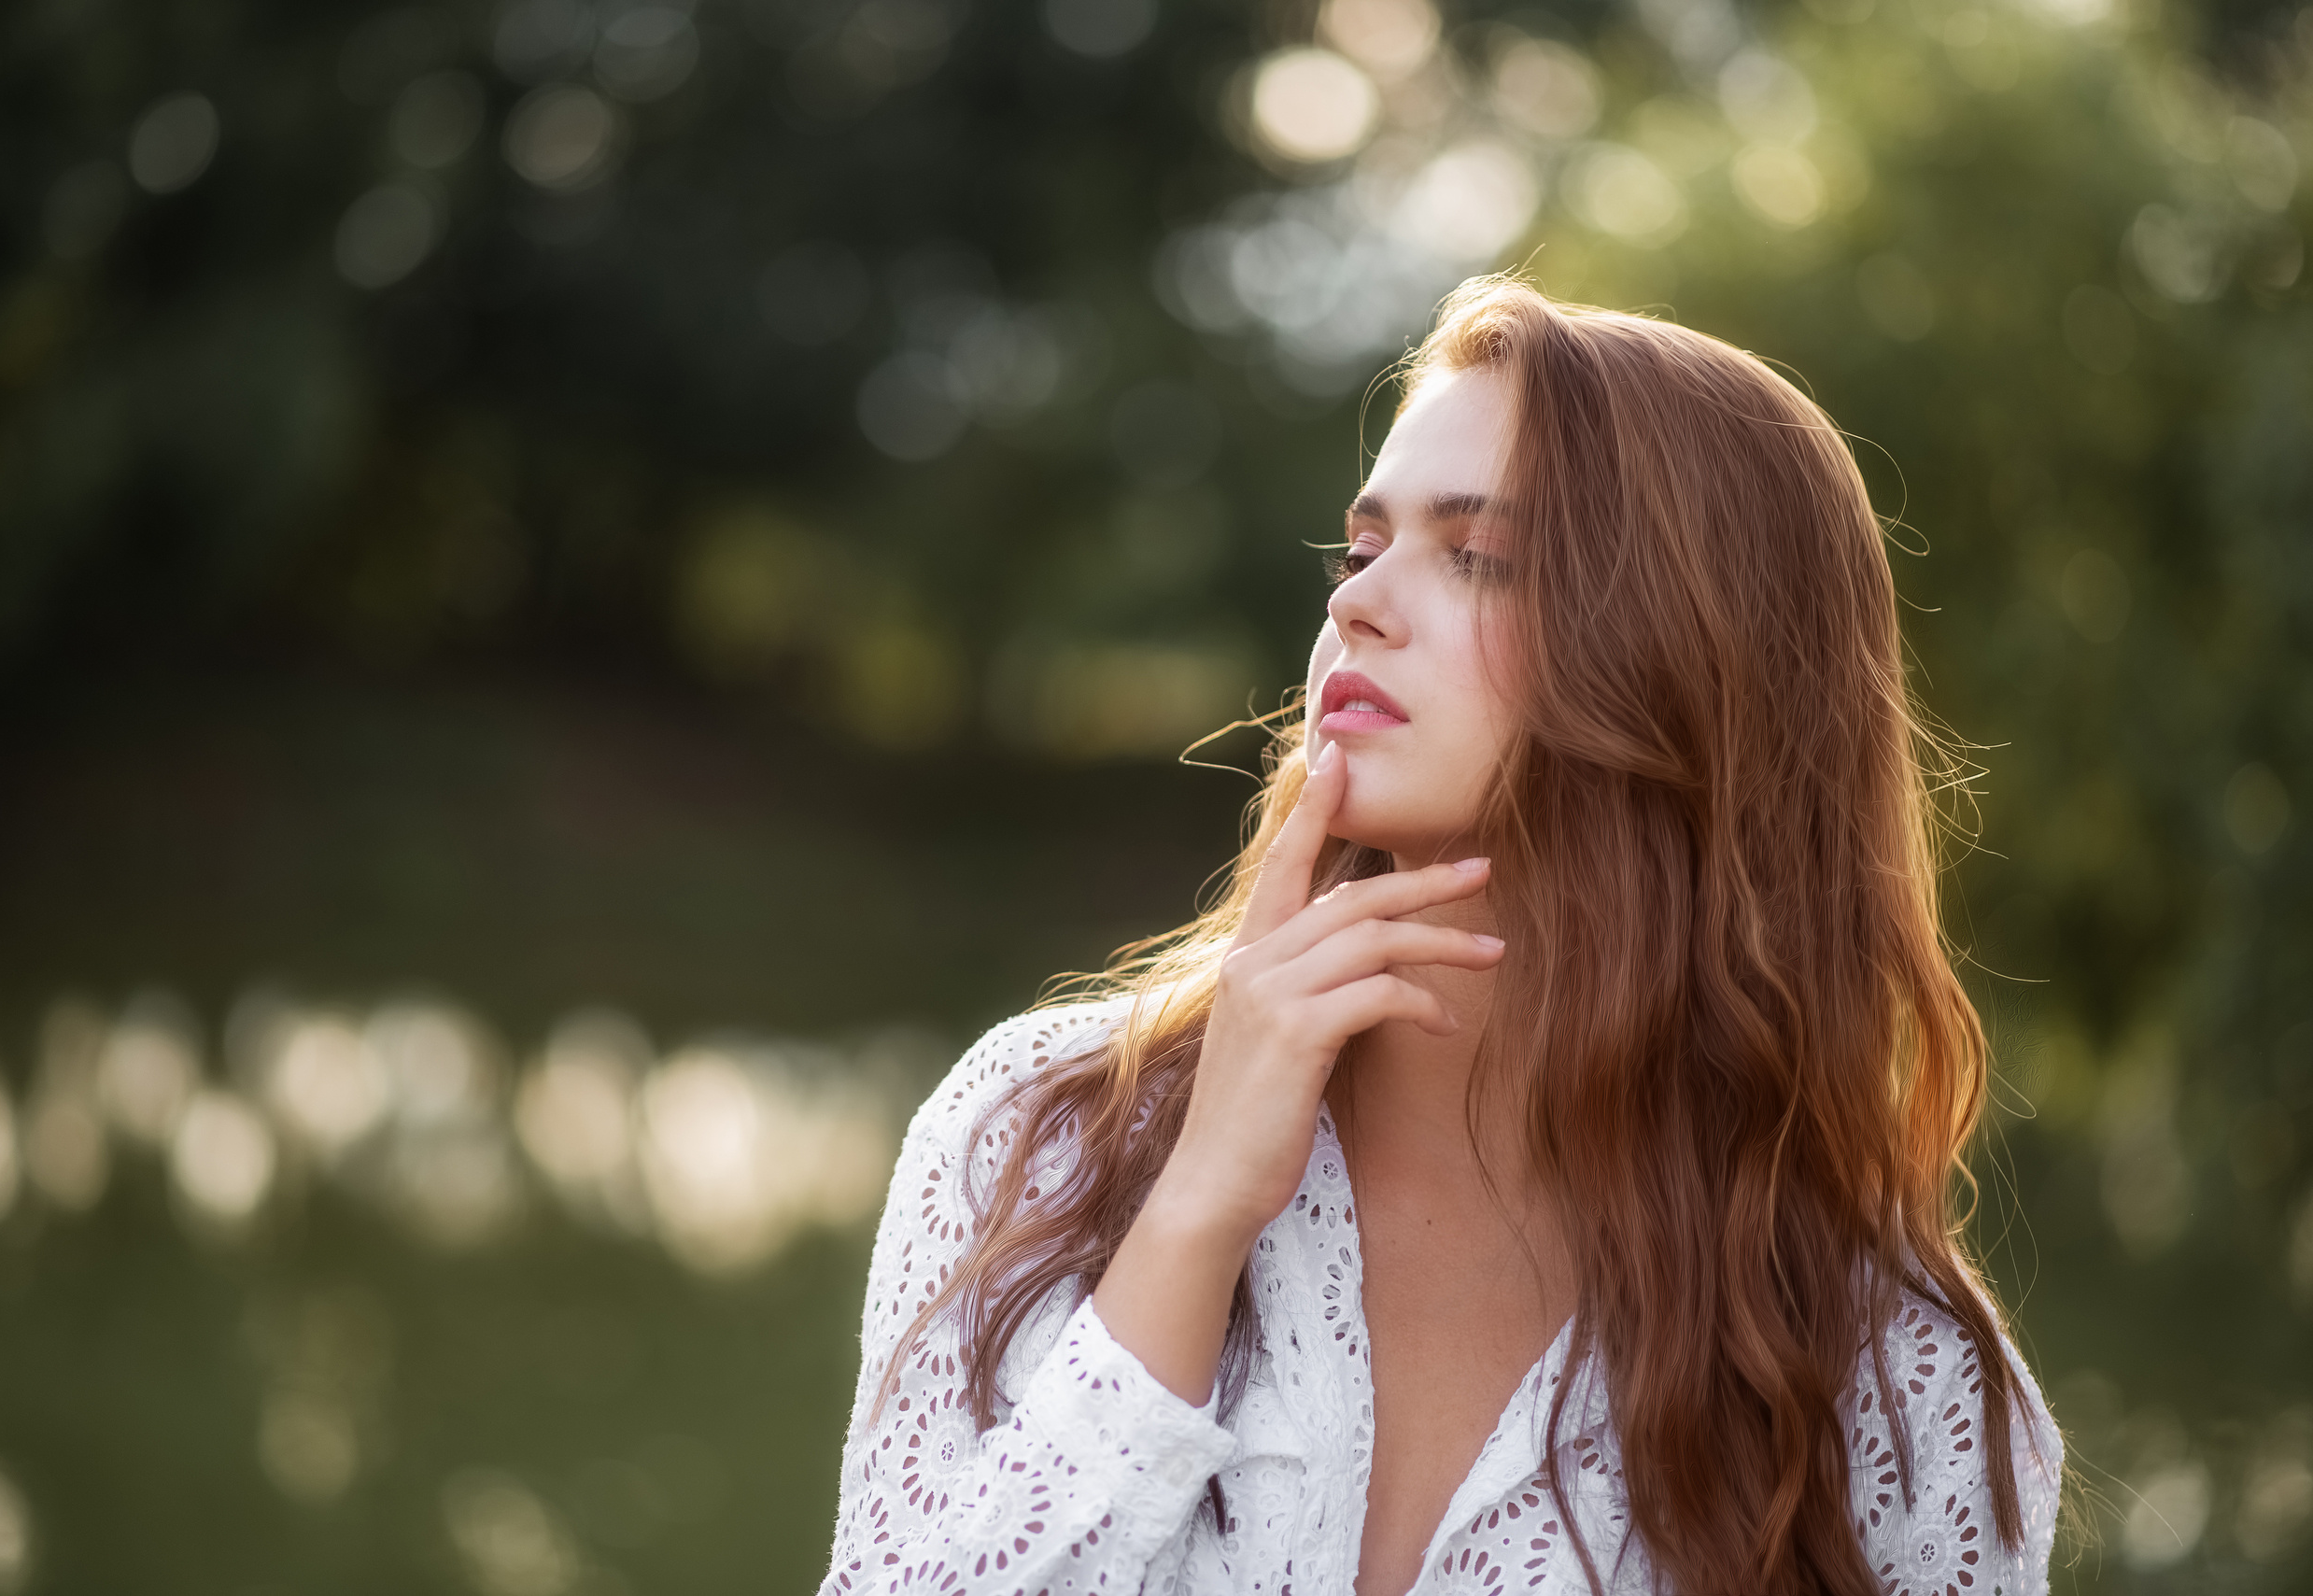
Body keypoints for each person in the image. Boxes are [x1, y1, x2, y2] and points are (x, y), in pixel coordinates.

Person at [820, 276, 2064, 1596]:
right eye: (1362, 550)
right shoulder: (1043, 1138)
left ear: (1693, 663)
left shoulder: (1893, 1373)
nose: (1356, 606)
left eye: (1478, 556)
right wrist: (1195, 1212)